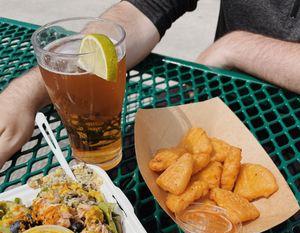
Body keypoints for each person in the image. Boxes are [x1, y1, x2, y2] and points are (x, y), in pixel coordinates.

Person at [1, 0, 300, 168]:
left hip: (289, 143)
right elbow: (143, 9)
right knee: (130, 166)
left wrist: (237, 47)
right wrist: (29, 91)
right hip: (218, 107)